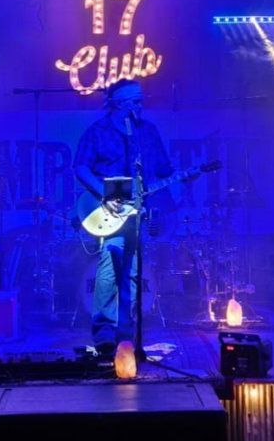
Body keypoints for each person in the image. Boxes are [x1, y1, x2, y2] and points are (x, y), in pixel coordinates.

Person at [73, 79, 175, 359]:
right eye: (137, 102)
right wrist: (104, 194)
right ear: (122, 104)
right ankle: (106, 331)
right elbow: (80, 167)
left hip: (140, 209)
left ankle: (127, 330)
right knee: (111, 263)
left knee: (133, 268)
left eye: (142, 101)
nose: (142, 106)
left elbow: (163, 171)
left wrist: (179, 182)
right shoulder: (98, 132)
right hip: (110, 209)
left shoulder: (148, 133)